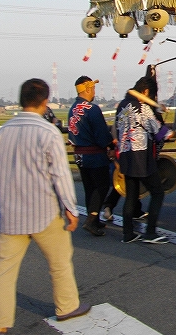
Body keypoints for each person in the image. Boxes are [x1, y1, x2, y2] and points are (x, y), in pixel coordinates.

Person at [0, 78, 91, 333]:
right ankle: (66, 306)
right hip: (43, 212)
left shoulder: (1, 133)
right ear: (45, 102)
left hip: (10, 214)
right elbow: (60, 174)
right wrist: (70, 208)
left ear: (20, 100)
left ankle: (1, 324)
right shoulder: (48, 132)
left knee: (4, 270)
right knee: (59, 262)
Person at [115, 76, 174, 244]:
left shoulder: (122, 106)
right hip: (140, 155)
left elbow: (118, 129)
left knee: (131, 195)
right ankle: (150, 233)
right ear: (146, 91)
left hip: (125, 154)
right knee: (157, 192)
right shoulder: (142, 108)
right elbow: (159, 133)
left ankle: (128, 234)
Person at [68, 76, 114, 237]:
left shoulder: (72, 109)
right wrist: (111, 145)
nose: (94, 92)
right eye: (93, 89)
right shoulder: (92, 109)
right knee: (102, 186)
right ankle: (91, 220)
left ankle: (93, 219)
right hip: (94, 155)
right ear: (88, 89)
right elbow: (101, 134)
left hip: (80, 154)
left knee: (89, 188)